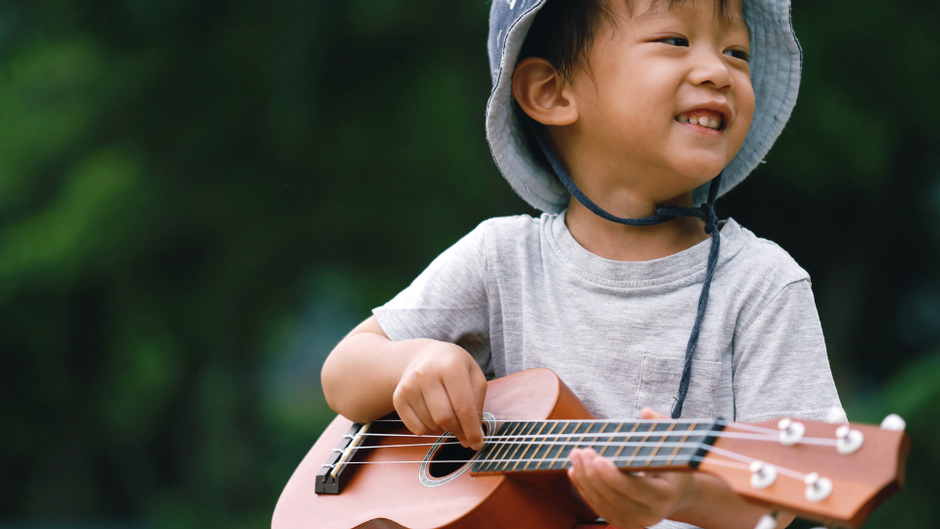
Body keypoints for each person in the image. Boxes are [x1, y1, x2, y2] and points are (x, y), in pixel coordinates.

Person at [321, 0, 844, 527]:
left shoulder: (762, 285)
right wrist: (412, 363)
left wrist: (686, 495)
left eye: (737, 52)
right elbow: (343, 372)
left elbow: (800, 495)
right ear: (552, 92)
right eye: (675, 41)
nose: (718, 72)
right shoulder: (502, 259)